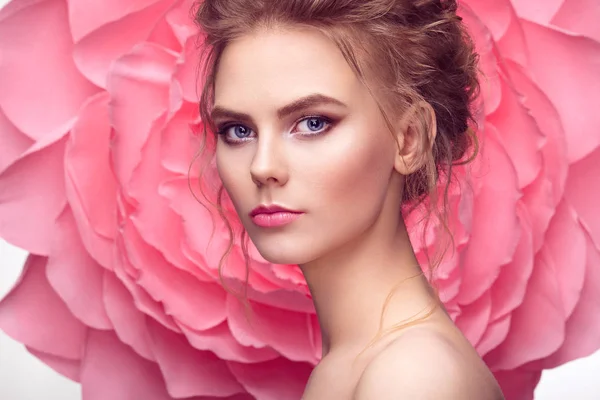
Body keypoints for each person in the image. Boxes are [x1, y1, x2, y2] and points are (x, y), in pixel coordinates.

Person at [194, 0, 505, 398]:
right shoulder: (354, 364)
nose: (262, 166)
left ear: (409, 139)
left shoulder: (413, 376)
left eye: (312, 123)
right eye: (238, 130)